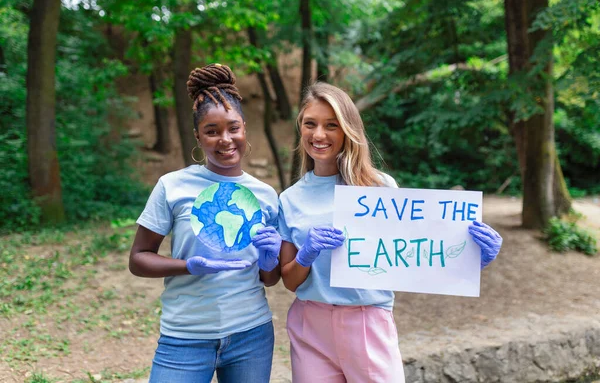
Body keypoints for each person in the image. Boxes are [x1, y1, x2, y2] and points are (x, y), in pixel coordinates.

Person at [278, 82, 503, 383]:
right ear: (301, 128)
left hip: (367, 322)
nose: (319, 134)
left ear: (348, 130)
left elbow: (412, 259)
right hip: (310, 326)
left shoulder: (381, 188)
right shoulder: (290, 199)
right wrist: (307, 254)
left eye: (331, 125)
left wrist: (474, 260)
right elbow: (290, 281)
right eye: (310, 124)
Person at [129, 63, 282, 383]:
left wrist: (270, 258)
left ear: (244, 129)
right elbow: (138, 259)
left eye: (233, 128)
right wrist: (188, 265)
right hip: (184, 336)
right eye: (212, 131)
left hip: (251, 335)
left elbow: (270, 278)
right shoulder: (172, 186)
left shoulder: (266, 195)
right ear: (198, 136)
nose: (225, 139)